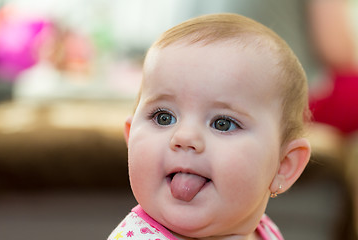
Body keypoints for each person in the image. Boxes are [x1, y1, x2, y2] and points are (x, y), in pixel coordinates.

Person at [107, 13, 311, 240]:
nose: (184, 137)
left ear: (283, 165)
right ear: (130, 138)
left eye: (222, 124)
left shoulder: (267, 232)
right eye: (163, 117)